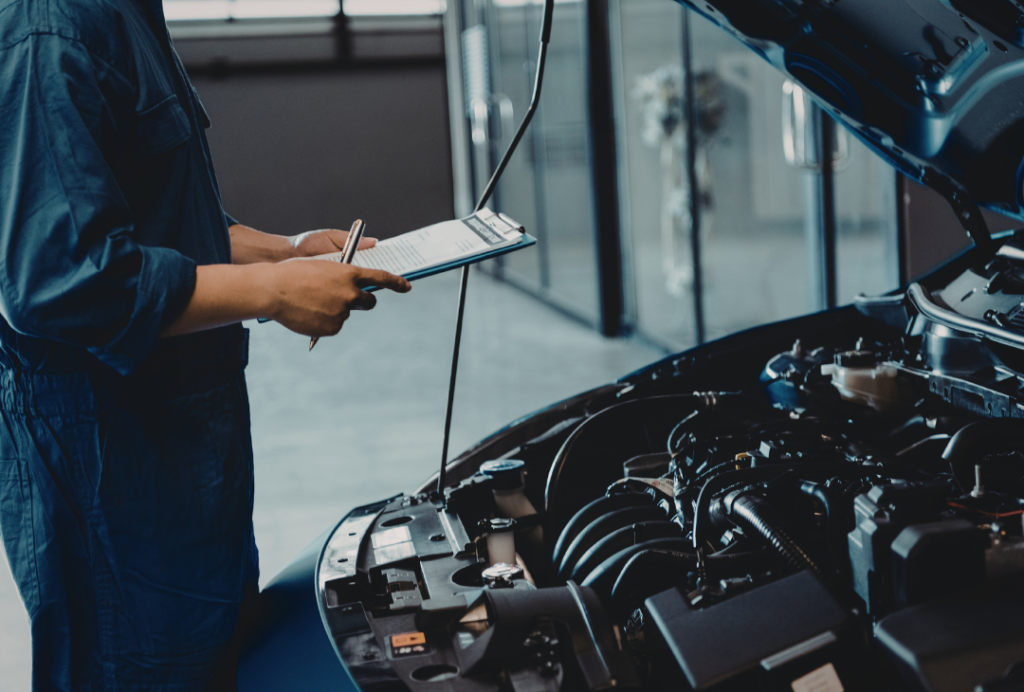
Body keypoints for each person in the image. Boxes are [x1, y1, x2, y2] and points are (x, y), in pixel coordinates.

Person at [0, 0, 412, 689]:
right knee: (134, 666)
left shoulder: (125, 12)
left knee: (204, 662)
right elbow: (60, 280)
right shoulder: (50, 27)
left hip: (178, 454)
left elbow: (160, 215)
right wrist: (275, 294)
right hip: (107, 461)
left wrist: (284, 254)